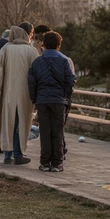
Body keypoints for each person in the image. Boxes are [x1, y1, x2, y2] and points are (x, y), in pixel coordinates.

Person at [0, 23, 39, 165]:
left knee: (9, 123)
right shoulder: (31, 51)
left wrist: (2, 80)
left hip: (8, 93)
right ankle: (19, 154)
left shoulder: (7, 48)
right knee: (22, 124)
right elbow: (37, 72)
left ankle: (8, 155)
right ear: (27, 34)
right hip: (25, 94)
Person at [28, 31, 76, 173]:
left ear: (43, 45)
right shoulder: (64, 61)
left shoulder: (37, 62)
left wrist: (34, 99)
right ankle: (57, 163)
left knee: (45, 132)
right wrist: (66, 96)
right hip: (59, 101)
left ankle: (44, 162)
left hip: (42, 101)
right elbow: (70, 81)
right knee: (58, 132)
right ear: (58, 45)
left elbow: (32, 82)